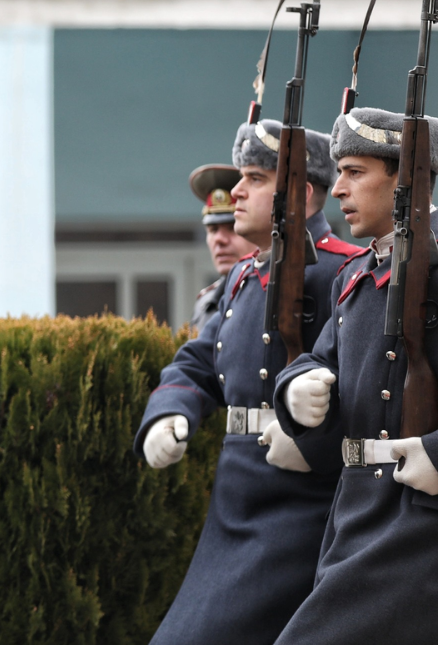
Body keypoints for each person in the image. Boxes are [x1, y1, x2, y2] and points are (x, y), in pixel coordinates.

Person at [133, 119, 361, 645]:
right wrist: (171, 409)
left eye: (255, 178)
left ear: (301, 193)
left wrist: (313, 437)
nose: (236, 191)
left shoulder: (342, 273)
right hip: (236, 498)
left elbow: (373, 386)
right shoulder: (244, 275)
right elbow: (199, 360)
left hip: (301, 503)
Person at [272, 108, 438, 644]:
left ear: (404, 179)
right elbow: (321, 362)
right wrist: (296, 390)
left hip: (418, 520)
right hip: (355, 513)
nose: (338, 188)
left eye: (355, 171)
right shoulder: (356, 275)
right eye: (338, 171)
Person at [188, 164, 258, 332]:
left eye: (232, 227)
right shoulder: (205, 304)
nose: (219, 239)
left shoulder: (271, 297)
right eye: (213, 230)